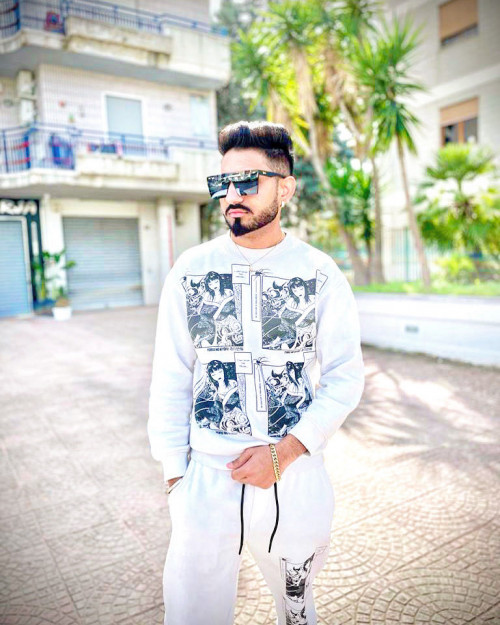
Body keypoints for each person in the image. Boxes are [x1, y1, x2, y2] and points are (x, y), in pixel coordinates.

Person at [147, 120, 365, 625]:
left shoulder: (319, 274)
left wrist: (283, 454)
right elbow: (171, 376)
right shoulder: (191, 271)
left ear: (285, 188)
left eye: (247, 182)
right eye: (221, 183)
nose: (231, 195)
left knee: (297, 612)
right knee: (192, 615)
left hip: (294, 478)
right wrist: (175, 475)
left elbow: (344, 377)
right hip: (205, 479)